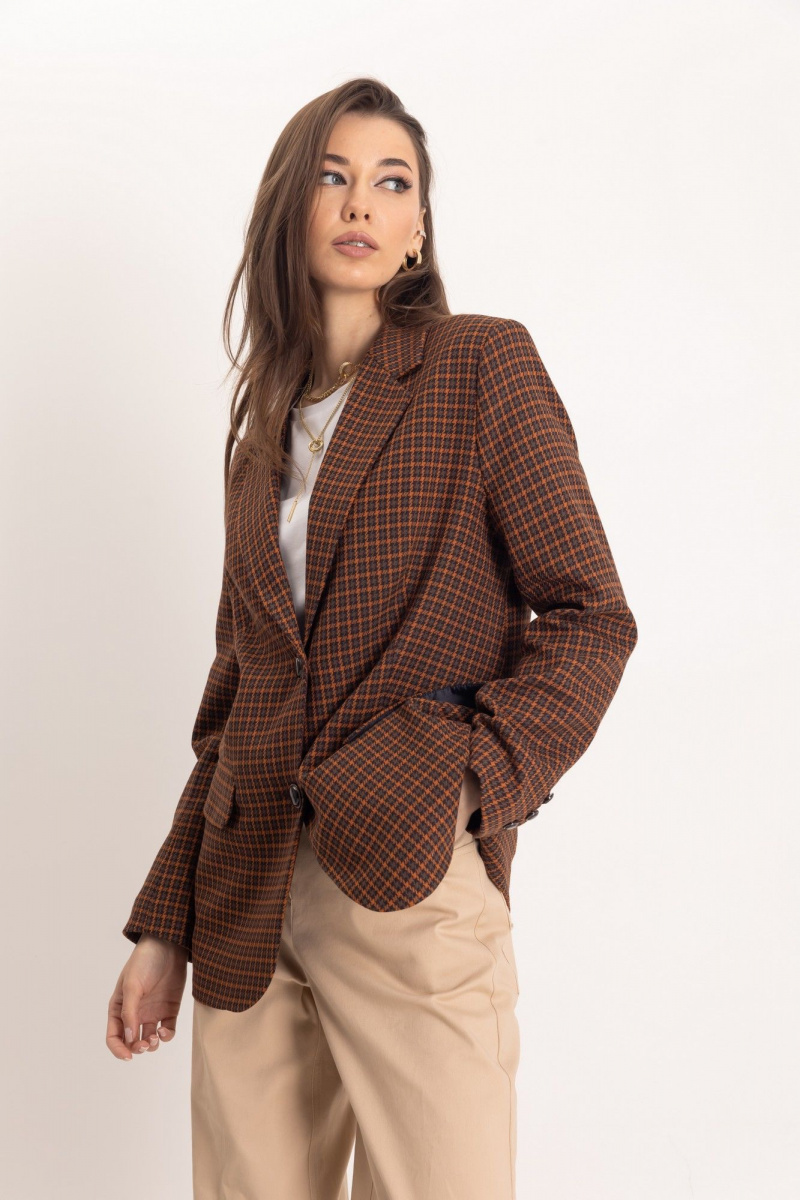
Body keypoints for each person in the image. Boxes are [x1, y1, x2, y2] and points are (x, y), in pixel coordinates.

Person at [106, 77, 638, 1200]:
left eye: (392, 182)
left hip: (409, 877)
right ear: (288, 209)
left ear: (417, 229)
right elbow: (234, 695)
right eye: (333, 177)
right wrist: (164, 925)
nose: (361, 202)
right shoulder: (257, 436)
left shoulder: (478, 364)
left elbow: (590, 616)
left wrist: (467, 782)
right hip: (245, 898)